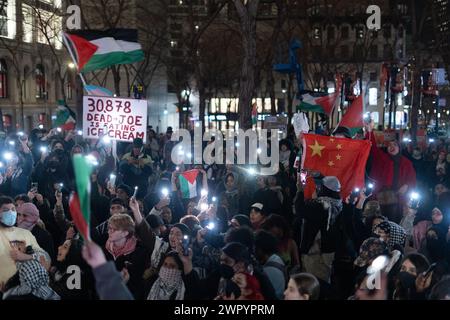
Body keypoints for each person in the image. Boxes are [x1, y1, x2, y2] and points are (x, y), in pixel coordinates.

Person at [364, 120, 416, 223]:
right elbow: (372, 147)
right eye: (389, 146)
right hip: (381, 196)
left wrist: (406, 185)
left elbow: (412, 179)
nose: (392, 147)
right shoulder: (382, 158)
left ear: (399, 147)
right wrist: (369, 131)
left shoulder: (406, 163)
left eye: (395, 145)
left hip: (398, 198)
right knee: (379, 221)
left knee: (395, 221)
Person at [295, 176, 343, 283]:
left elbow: (300, 210)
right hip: (329, 249)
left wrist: (300, 190)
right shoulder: (337, 204)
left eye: (319, 186)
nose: (317, 188)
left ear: (325, 189)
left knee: (314, 282)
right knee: (324, 277)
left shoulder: (321, 206)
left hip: (316, 252)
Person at [0, 196, 48, 285]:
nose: (11, 213)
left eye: (13, 209)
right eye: (6, 210)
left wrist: (26, 257)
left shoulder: (27, 234)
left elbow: (45, 259)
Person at [104, 213, 149, 299]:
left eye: (114, 229)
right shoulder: (104, 250)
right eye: (109, 228)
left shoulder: (140, 252)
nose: (109, 231)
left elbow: (140, 284)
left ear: (125, 233)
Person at [254, 230, 286, 299]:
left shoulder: (269, 270)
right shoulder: (276, 258)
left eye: (255, 248)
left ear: (260, 249)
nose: (254, 252)